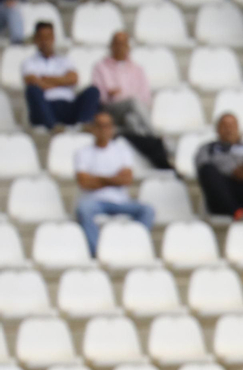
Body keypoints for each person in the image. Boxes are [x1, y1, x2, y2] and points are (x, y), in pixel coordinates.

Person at [74, 110, 156, 256]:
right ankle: (98, 252)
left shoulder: (122, 150)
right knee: (84, 209)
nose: (104, 130)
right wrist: (113, 179)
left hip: (120, 201)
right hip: (95, 201)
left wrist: (98, 179)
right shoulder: (83, 152)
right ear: (93, 128)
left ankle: (135, 247)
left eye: (107, 126)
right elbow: (84, 182)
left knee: (147, 210)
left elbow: (126, 179)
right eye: (100, 126)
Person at [91, 32, 170, 170]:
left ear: (128, 46)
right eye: (117, 43)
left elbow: (145, 97)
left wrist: (119, 94)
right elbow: (100, 96)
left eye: (123, 43)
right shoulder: (100, 67)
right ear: (111, 46)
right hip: (110, 110)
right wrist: (114, 96)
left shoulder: (137, 69)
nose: (120, 47)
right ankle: (158, 138)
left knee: (131, 119)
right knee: (132, 102)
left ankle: (150, 158)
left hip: (133, 112)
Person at [23, 22, 99, 130]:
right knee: (32, 90)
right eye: (42, 37)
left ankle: (83, 125)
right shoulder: (29, 62)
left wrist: (46, 80)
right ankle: (53, 127)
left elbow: (73, 79)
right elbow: (33, 82)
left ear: (53, 38)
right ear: (36, 39)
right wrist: (62, 81)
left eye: (48, 37)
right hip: (46, 106)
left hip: (67, 105)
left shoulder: (64, 60)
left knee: (93, 91)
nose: (45, 41)